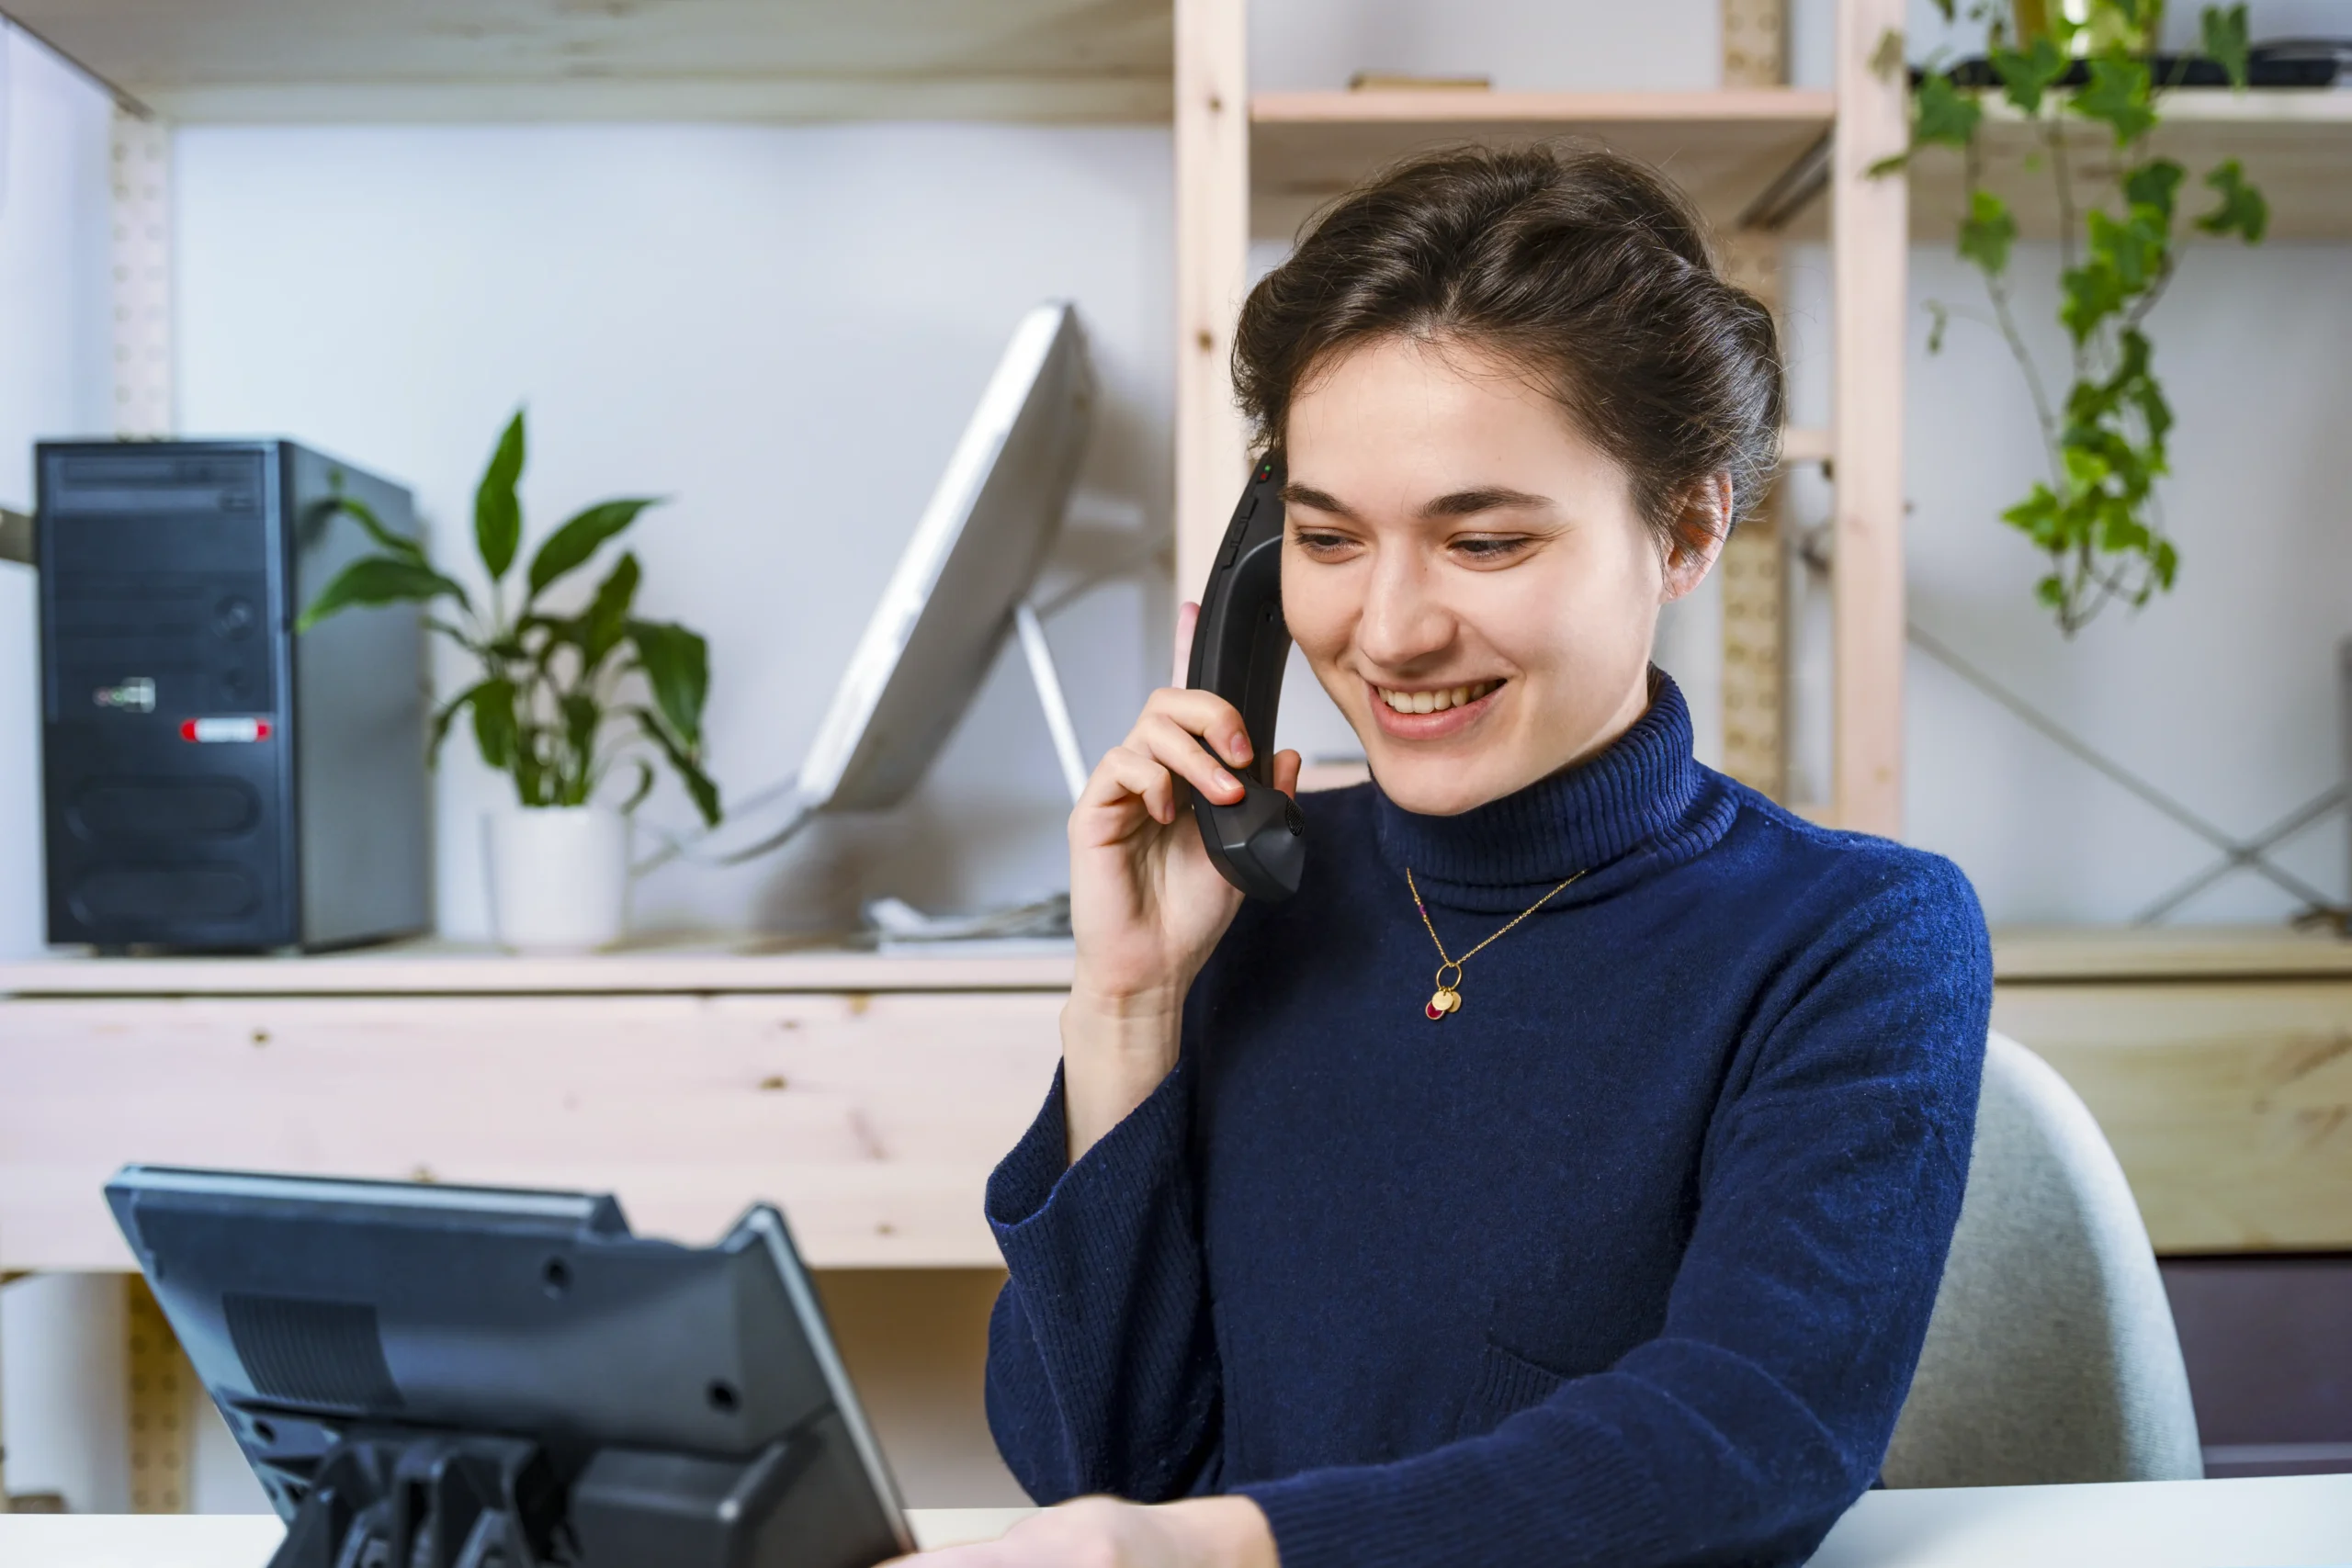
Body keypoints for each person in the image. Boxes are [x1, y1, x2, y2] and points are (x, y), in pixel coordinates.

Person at [896, 144, 1992, 1568]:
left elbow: (1745, 1438)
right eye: (1325, 537)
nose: (1391, 628)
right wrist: (1126, 1009)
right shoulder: (1250, 893)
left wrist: (1218, 1552)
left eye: (1480, 541)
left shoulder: (1855, 937)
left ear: (1688, 527)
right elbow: (1087, 1460)